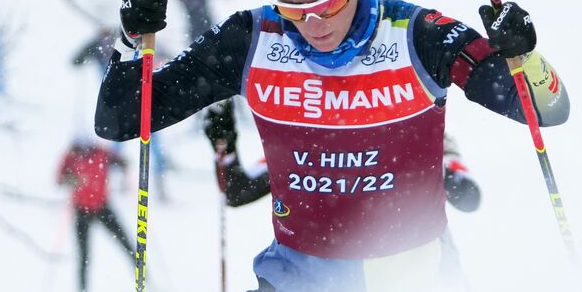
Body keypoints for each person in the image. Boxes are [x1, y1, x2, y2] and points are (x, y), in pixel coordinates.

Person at [95, 0, 569, 292]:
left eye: (329, 2)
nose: (314, 24)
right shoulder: (253, 39)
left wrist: (523, 54)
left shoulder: (417, 35)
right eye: (293, 9)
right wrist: (133, 39)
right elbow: (120, 119)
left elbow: (546, 110)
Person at [201, 98, 482, 213]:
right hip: (327, 284)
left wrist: (413, 162)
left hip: (414, 275)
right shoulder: (316, 144)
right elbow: (237, 191)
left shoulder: (413, 131)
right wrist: (223, 140)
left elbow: (468, 196)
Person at [56, 137, 134, 292]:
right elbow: (59, 179)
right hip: (82, 210)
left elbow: (121, 161)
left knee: (125, 242)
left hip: (102, 206)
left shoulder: (101, 152)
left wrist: (123, 164)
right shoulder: (71, 156)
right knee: (84, 254)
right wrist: (73, 180)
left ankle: (144, 278)